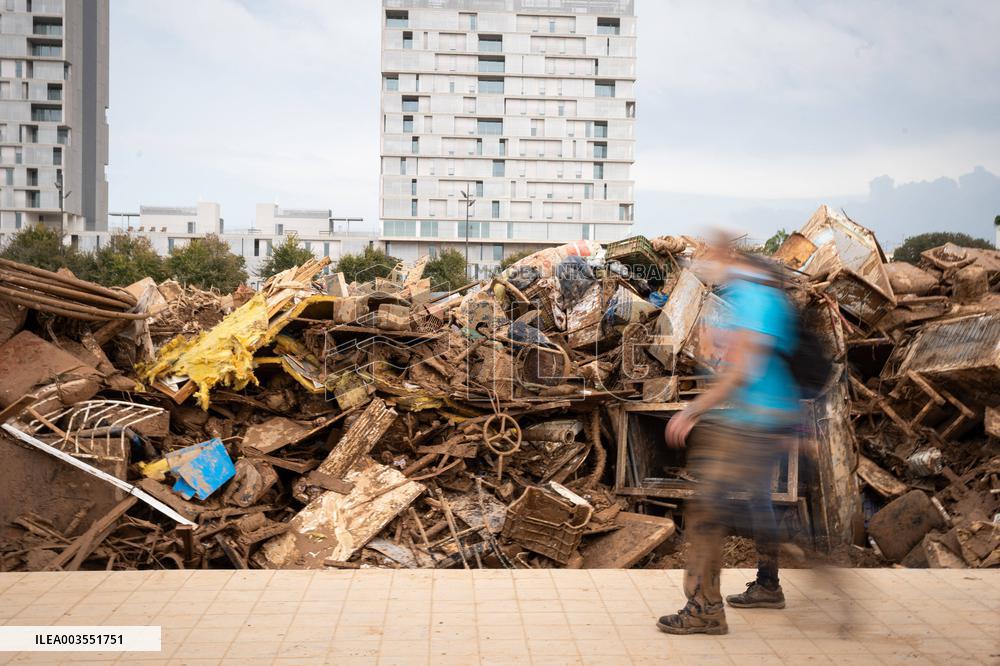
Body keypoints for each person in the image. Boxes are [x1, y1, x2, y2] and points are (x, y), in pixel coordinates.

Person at [656, 244, 799, 636]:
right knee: (746, 504)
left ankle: (707, 607)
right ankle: (769, 582)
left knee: (706, 515)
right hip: (758, 420)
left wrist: (692, 410)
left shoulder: (755, 298)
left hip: (754, 424)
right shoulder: (755, 298)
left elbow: (742, 372)